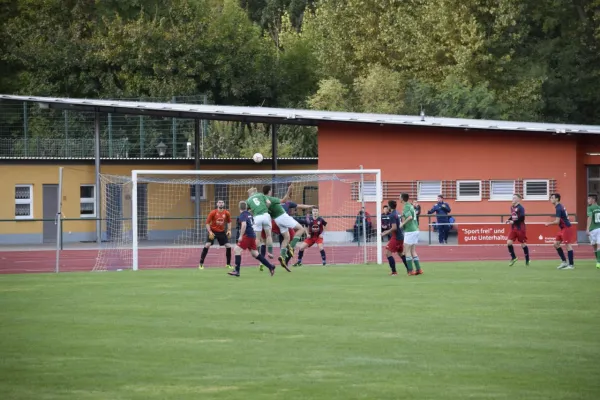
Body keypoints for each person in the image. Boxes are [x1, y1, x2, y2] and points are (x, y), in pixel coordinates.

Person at [262, 185, 307, 271]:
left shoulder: (263, 201)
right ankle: (291, 246)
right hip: (282, 216)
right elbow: (284, 200)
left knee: (286, 237)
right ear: (269, 191)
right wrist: (289, 190)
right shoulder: (270, 199)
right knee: (301, 229)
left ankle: (282, 257)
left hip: (276, 220)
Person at [228, 201, 276, 277]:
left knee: (237, 249)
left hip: (247, 236)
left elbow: (244, 225)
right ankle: (270, 266)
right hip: (252, 235)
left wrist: (240, 236)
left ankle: (237, 271)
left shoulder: (242, 215)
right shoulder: (249, 214)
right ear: (246, 207)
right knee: (255, 253)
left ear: (239, 207)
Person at [198, 199, 232, 270]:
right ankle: (201, 264)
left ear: (224, 204)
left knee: (228, 246)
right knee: (207, 245)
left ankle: (228, 264)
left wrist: (229, 230)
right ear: (217, 204)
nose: (221, 204)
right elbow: (207, 223)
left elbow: (229, 222)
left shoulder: (226, 213)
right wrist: (210, 231)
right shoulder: (213, 212)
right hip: (213, 231)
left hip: (222, 232)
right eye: (219, 202)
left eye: (222, 202)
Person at [545, 193, 575, 270]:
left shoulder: (558, 208)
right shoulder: (559, 206)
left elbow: (557, 221)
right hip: (562, 228)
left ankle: (571, 265)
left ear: (557, 199)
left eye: (552, 198)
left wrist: (549, 223)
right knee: (556, 244)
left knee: (568, 245)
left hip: (566, 228)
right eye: (550, 197)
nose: (550, 199)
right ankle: (564, 262)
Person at [400, 193, 422, 275]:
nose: (399, 198)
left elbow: (410, 217)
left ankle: (410, 270)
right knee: (413, 250)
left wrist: (402, 224)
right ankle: (419, 269)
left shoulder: (406, 206)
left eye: (400, 196)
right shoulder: (410, 205)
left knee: (406, 251)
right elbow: (410, 215)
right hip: (415, 229)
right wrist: (402, 215)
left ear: (402, 198)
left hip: (410, 231)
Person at [506, 194, 530, 266]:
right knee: (509, 242)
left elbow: (522, 218)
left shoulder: (521, 208)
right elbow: (513, 215)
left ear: (518, 199)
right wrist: (509, 219)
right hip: (513, 228)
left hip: (520, 228)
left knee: (523, 244)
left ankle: (527, 259)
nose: (512, 199)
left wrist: (513, 221)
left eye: (514, 198)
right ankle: (514, 257)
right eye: (512, 198)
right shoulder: (512, 207)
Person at [381, 200, 404, 276]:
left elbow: (394, 227)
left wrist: (385, 232)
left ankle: (394, 272)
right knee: (400, 254)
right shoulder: (397, 212)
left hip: (396, 237)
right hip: (400, 236)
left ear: (390, 206)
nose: (387, 207)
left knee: (388, 253)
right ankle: (409, 270)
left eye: (388, 206)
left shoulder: (391, 215)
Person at [586, 193, 600, 269]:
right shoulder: (599, 207)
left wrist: (587, 228)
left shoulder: (590, 208)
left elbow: (589, 217)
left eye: (589, 199)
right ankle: (598, 261)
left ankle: (598, 262)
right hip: (599, 228)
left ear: (593, 200)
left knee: (595, 246)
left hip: (593, 229)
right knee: (597, 246)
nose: (588, 200)